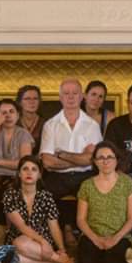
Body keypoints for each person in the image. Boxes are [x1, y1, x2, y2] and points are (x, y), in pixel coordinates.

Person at [39, 78, 102, 227]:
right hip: (57, 177)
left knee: (96, 198)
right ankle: (49, 240)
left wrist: (61, 154)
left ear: (82, 97)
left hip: (85, 176)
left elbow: (93, 160)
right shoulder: (50, 124)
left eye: (75, 93)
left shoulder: (92, 125)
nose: (71, 97)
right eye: (66, 93)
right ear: (60, 98)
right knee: (41, 198)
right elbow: (47, 162)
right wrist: (80, 158)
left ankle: (85, 238)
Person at [74, 141, 132, 263]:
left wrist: (115, 238)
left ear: (116, 160)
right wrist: (95, 239)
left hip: (120, 236)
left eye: (110, 157)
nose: (106, 161)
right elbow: (81, 219)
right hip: (92, 235)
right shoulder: (86, 185)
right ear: (95, 162)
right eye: (101, 158)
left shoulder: (127, 183)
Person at [3, 155, 72, 263]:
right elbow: (21, 226)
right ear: (19, 174)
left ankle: (59, 259)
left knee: (18, 254)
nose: (29, 173)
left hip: (43, 244)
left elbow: (54, 226)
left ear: (39, 175)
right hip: (21, 239)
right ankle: (58, 262)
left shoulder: (46, 196)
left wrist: (62, 250)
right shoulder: (10, 195)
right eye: (25, 169)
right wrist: (43, 242)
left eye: (34, 169)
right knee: (17, 251)